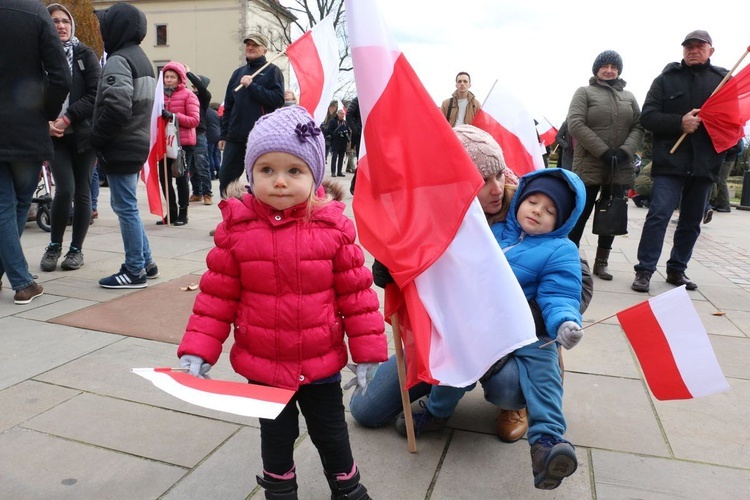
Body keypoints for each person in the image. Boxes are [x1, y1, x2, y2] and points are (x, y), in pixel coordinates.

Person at [177, 106, 387, 499]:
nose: (279, 181)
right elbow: (216, 298)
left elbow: (357, 299)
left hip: (319, 361)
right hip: (264, 363)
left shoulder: (334, 229)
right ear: (250, 174)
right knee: (275, 434)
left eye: (294, 171)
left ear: (313, 176)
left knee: (331, 432)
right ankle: (279, 490)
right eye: (267, 170)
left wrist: (369, 353)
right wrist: (199, 350)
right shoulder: (236, 230)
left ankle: (348, 489)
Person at [632, 30, 728, 293]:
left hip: (704, 164)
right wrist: (679, 122)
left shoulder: (723, 81)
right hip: (670, 162)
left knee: (691, 221)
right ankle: (644, 270)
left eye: (700, 46)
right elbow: (647, 117)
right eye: (688, 46)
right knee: (658, 214)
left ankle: (677, 270)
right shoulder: (665, 80)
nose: (693, 50)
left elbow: (732, 121)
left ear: (711, 50)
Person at [0, 0, 69, 304]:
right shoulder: (35, 12)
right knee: (15, 205)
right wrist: (46, 113)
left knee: (5, 206)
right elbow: (61, 76)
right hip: (27, 125)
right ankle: (21, 282)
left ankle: (18, 279)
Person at [91, 2, 159, 289]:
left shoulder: (119, 60)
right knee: (127, 204)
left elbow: (117, 107)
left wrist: (95, 138)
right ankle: (146, 261)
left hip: (121, 143)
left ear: (116, 27)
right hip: (137, 141)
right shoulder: (142, 58)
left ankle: (134, 270)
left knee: (124, 206)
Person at [567, 50, 644, 282]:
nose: (609, 70)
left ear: (619, 70)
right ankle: (569, 260)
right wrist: (602, 150)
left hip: (619, 166)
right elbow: (575, 123)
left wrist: (624, 151)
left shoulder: (629, 97)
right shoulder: (584, 92)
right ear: (596, 69)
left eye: (613, 66)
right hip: (590, 164)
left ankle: (601, 262)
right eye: (604, 66)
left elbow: (639, 126)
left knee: (611, 216)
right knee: (579, 214)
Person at [40, 3, 101, 273]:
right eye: (54, 21)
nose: (61, 25)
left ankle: (76, 250)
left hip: (84, 135)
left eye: (65, 20)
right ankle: (54, 245)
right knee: (64, 189)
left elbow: (95, 93)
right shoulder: (40, 55)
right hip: (54, 137)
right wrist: (46, 123)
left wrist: (68, 118)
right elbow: (30, 93)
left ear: (72, 25)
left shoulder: (84, 54)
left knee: (83, 191)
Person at [218, 30, 284, 197]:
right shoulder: (237, 73)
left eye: (255, 45)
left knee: (258, 182)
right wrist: (223, 135)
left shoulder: (272, 71)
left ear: (264, 50)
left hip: (260, 136)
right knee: (226, 182)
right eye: (248, 44)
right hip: (235, 137)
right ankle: (230, 218)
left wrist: (252, 86)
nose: (250, 47)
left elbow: (277, 99)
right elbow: (228, 106)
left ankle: (257, 218)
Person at [157, 61, 200, 226]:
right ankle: (171, 212)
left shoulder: (189, 95)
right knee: (164, 178)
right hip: (164, 143)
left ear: (179, 78)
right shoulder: (159, 95)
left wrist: (173, 116)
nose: (168, 80)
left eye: (172, 77)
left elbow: (194, 120)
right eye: (166, 76)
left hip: (182, 144)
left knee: (181, 177)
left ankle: (183, 212)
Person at [186, 71, 214, 205]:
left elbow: (200, 87)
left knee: (201, 163)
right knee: (191, 166)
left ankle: (207, 193)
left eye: (195, 85)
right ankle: (196, 192)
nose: (193, 87)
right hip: (187, 132)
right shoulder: (188, 95)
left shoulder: (204, 96)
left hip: (198, 133)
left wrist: (187, 72)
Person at [711, 140, 742, 213]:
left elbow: (739, 148)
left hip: (728, 160)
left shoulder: (735, 133)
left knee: (722, 181)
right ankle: (719, 204)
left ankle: (725, 205)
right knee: (718, 181)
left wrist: (726, 149)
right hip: (724, 159)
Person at [328, 109, 350, 177]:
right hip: (335, 141)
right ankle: (333, 172)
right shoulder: (333, 121)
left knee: (341, 157)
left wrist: (346, 134)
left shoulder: (345, 122)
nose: (342, 115)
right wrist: (336, 135)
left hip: (343, 142)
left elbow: (348, 130)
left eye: (343, 114)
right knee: (334, 157)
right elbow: (329, 130)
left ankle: (339, 171)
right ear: (338, 114)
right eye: (341, 114)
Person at [206, 103, 221, 180]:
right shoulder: (213, 112)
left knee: (210, 155)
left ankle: (211, 174)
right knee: (215, 154)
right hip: (217, 134)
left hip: (210, 135)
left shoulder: (204, 111)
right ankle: (219, 172)